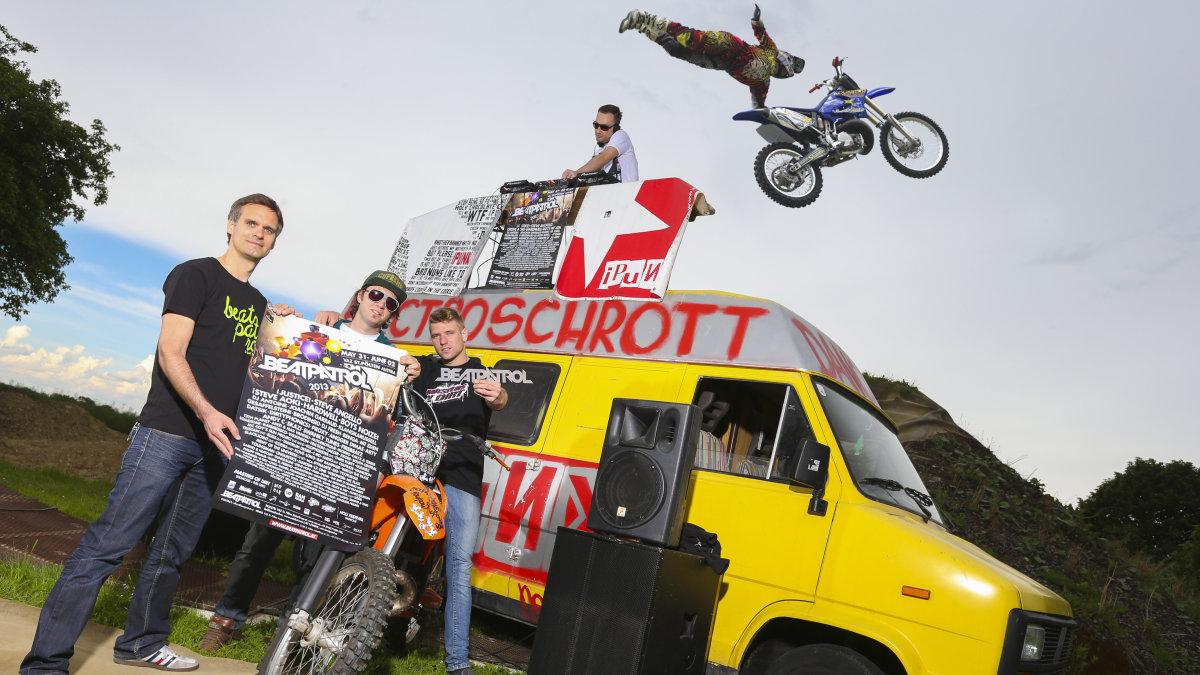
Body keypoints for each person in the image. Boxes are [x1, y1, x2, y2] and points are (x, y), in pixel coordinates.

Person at [22, 194, 289, 673]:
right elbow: (171, 351)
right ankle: (45, 663)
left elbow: (264, 370)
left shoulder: (260, 306)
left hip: (214, 447)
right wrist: (206, 411)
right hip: (167, 433)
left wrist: (294, 326)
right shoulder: (195, 275)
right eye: (251, 223)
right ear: (230, 225)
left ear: (273, 243)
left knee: (171, 554)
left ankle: (141, 643)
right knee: (108, 546)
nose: (258, 233)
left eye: (268, 230)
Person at [198, 270, 421, 652]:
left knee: (311, 562)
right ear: (360, 295)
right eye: (375, 295)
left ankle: (285, 640)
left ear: (393, 314)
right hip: (287, 457)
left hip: (336, 472)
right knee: (256, 547)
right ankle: (226, 620)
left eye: (390, 303)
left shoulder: (394, 358)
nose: (380, 305)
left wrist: (409, 377)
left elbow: (390, 418)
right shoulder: (322, 328)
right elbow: (277, 357)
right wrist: (282, 320)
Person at [410, 307, 507, 675]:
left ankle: (457, 664)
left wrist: (498, 396)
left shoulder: (481, 373)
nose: (443, 341)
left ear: (465, 334)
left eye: (449, 333)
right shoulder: (426, 369)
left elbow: (500, 399)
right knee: (402, 554)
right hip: (420, 474)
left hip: (462, 477)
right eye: (436, 335)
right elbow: (397, 361)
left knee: (459, 567)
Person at [619, 5, 804, 108]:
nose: (785, 72)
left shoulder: (763, 84)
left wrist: (765, 116)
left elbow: (758, 106)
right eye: (789, 68)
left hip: (719, 63)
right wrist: (756, 20)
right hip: (731, 45)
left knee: (676, 50)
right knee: (689, 39)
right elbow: (760, 32)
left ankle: (641, 27)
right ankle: (644, 17)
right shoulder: (772, 50)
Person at [561, 104, 639, 183]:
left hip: (628, 190)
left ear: (615, 128)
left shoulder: (621, 136)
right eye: (596, 125)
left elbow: (603, 158)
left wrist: (576, 173)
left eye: (604, 127)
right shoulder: (599, 152)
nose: (598, 131)